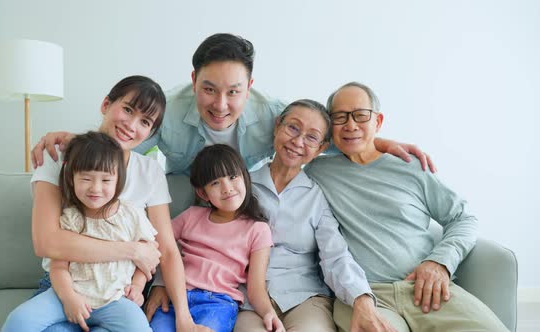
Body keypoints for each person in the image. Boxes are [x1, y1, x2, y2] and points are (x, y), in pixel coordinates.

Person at [147, 100, 394, 332]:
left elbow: (336, 255)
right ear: (277, 126)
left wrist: (361, 298)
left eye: (311, 137)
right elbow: (190, 240)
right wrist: (160, 283)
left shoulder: (317, 198)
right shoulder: (236, 185)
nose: (298, 141)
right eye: (293, 128)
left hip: (304, 297)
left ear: (322, 148)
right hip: (245, 299)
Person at [32, 33, 436, 175]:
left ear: (250, 86)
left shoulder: (275, 113)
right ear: (193, 81)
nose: (221, 104)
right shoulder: (167, 107)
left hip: (237, 191)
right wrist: (73, 138)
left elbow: (321, 138)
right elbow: (121, 134)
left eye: (234, 92)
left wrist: (380, 143)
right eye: (209, 89)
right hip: (183, 185)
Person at [4, 75, 213, 332]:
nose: (131, 125)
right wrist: (133, 250)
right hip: (65, 285)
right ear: (106, 104)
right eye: (127, 109)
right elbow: (47, 242)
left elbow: (167, 250)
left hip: (117, 292)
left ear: (150, 132)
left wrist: (184, 319)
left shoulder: (149, 171)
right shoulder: (58, 156)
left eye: (145, 122)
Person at [304, 82, 508, 332]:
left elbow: (463, 218)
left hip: (428, 289)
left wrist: (440, 262)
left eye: (360, 115)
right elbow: (291, 134)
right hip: (365, 294)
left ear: (377, 122)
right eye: (340, 117)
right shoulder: (317, 172)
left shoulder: (411, 167)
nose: (350, 124)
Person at [3, 131, 155, 331]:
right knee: (18, 321)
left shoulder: (132, 215)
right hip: (69, 293)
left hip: (115, 299)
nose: (96, 188)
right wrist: (69, 299)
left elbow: (144, 262)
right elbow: (58, 267)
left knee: (139, 328)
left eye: (106, 180)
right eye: (86, 179)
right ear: (71, 177)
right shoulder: (70, 218)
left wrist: (137, 287)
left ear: (119, 180)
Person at [149, 144, 284, 332]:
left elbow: (256, 288)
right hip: (177, 297)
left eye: (232, 177)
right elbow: (156, 244)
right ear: (203, 193)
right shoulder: (191, 216)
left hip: (218, 303)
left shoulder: (258, 230)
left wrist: (269, 313)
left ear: (244, 177)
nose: (227, 188)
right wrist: (154, 284)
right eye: (215, 183)